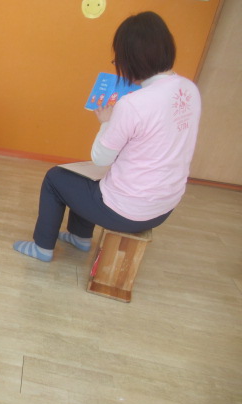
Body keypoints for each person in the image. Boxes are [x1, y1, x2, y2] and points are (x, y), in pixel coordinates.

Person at [13, 11, 201, 262]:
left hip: (127, 211)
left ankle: (42, 247)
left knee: (55, 178)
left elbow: (101, 158)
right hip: (165, 206)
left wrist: (106, 122)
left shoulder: (133, 104)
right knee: (84, 176)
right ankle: (79, 237)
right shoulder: (189, 89)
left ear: (130, 59)